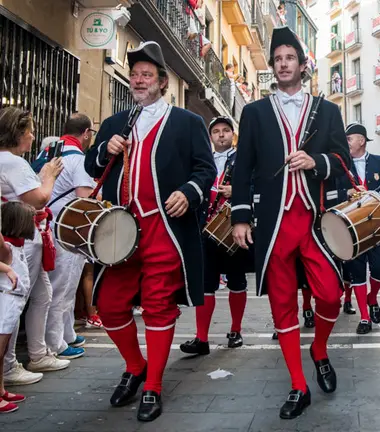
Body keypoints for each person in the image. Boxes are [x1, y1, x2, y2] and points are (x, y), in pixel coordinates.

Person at [84, 41, 217, 422]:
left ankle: (153, 385)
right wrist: (104, 151)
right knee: (109, 304)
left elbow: (204, 171)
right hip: (119, 233)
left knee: (159, 305)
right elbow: (95, 170)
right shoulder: (113, 123)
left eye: (147, 74)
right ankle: (135, 365)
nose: (139, 80)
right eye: (135, 74)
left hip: (164, 227)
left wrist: (188, 193)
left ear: (162, 81)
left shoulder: (187, 122)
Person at [230, 26, 350, 420]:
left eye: (289, 58)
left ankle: (319, 349)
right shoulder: (254, 112)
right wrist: (241, 217)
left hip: (316, 220)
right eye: (277, 59)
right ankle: (299, 385)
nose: (283, 64)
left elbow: (344, 164)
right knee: (282, 304)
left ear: (302, 65)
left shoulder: (327, 110)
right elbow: (243, 168)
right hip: (274, 221)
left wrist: (318, 162)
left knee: (330, 295)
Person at [0, 107, 67, 386]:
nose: (32, 136)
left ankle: (38, 353)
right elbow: (38, 198)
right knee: (14, 302)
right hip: (20, 240)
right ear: (17, 133)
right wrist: (49, 175)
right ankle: (8, 366)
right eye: (29, 130)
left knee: (41, 294)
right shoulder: (12, 163)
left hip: (24, 236)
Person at [180, 116, 250, 356]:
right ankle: (201, 338)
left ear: (233, 135)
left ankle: (236, 330)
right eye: (216, 131)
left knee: (237, 282)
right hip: (204, 227)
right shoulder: (203, 159)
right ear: (210, 136)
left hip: (231, 227)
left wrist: (238, 190)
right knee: (205, 285)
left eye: (226, 131)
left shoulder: (243, 158)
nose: (221, 135)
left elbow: (260, 185)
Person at [44, 114, 97, 361]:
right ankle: (56, 343)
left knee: (60, 286)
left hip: (47, 227)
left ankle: (67, 334)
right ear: (86, 133)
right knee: (62, 288)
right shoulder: (78, 159)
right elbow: (86, 197)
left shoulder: (48, 153)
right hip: (67, 229)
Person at [334, 123, 380, 333]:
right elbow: (335, 192)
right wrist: (347, 194)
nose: (346, 143)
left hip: (378, 226)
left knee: (379, 268)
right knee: (356, 272)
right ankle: (364, 317)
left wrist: (374, 198)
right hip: (353, 229)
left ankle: (373, 297)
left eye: (349, 139)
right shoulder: (341, 167)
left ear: (361, 140)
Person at [0, 201, 37, 414]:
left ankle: (2, 389)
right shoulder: (6, 248)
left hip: (14, 303)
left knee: (4, 351)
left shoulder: (16, 245)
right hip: (6, 302)